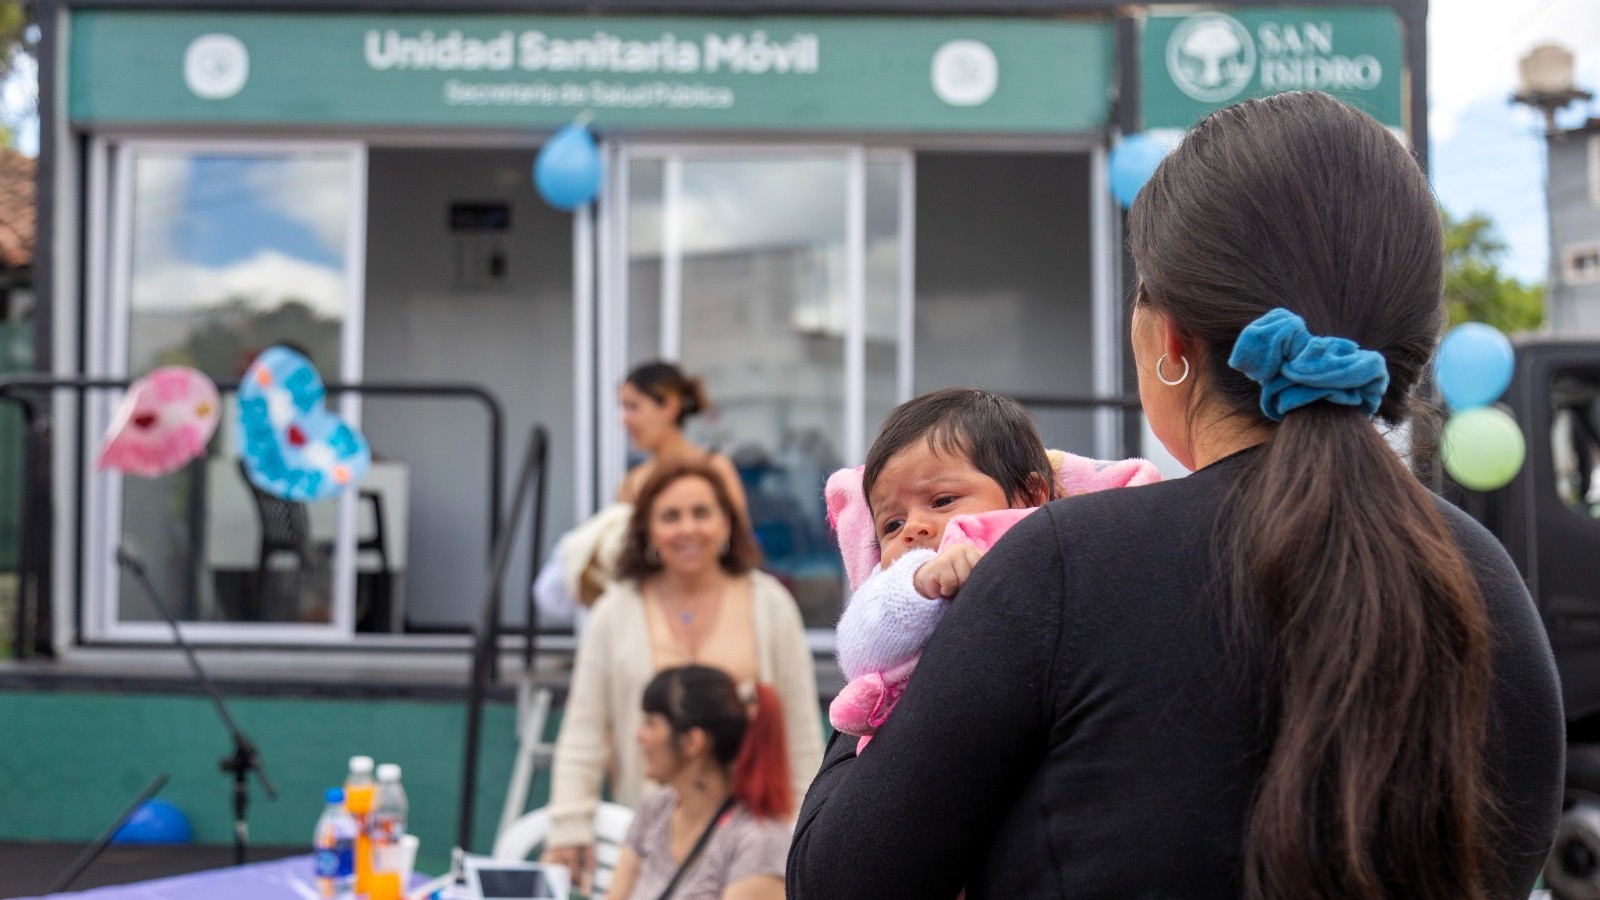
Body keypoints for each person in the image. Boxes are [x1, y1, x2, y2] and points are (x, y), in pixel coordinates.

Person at [788, 91, 1564, 899]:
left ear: (1171, 342)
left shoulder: (1057, 567)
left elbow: (838, 879)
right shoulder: (1483, 579)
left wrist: (891, 624)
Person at [824, 389, 1158, 752]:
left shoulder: (1075, 554)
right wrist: (917, 585)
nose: (912, 528)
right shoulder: (895, 583)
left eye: (942, 501)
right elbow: (858, 651)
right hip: (925, 755)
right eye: (891, 524)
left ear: (1031, 496)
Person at [546, 461, 822, 892]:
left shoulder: (770, 605)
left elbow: (801, 733)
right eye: (670, 516)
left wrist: (804, 835)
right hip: (652, 835)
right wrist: (568, 826)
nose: (687, 528)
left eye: (702, 512)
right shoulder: (614, 612)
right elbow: (584, 730)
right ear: (647, 531)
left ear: (727, 523)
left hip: (751, 838)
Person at [607, 665, 794, 900]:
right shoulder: (654, 810)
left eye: (651, 722)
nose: (639, 734)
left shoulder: (758, 842)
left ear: (692, 742)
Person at [618, 361, 748, 519]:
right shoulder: (632, 483)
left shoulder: (716, 468)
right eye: (624, 408)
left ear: (670, 406)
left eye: (633, 407)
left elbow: (739, 538)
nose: (624, 420)